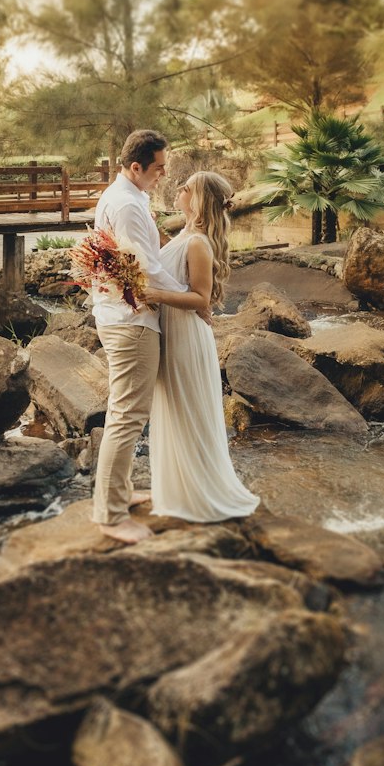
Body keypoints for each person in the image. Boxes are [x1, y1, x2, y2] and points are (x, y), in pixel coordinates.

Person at [90, 128, 192, 545]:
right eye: (159, 168)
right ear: (136, 167)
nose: (164, 175)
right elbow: (147, 268)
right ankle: (110, 516)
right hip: (130, 322)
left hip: (125, 314)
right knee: (128, 415)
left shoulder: (130, 196)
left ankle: (122, 491)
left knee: (128, 412)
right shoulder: (127, 204)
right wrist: (191, 297)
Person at [141, 171, 259, 522]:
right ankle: (181, 490)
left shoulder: (198, 243)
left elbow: (200, 298)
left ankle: (200, 493)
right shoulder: (187, 236)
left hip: (186, 336)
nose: (179, 190)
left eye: (186, 188)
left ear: (200, 200)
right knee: (177, 410)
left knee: (188, 411)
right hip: (173, 330)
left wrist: (153, 295)